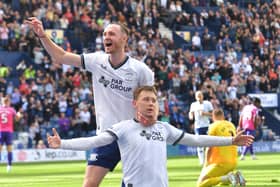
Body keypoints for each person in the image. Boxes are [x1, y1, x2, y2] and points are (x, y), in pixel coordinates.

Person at [25, 18, 154, 187]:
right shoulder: (97, 60)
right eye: (104, 34)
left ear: (124, 39)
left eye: (112, 34)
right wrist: (42, 35)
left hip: (134, 137)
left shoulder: (141, 70)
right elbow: (61, 56)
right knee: (89, 184)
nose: (106, 37)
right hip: (106, 136)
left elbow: (151, 103)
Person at [48, 85, 254, 187]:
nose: (151, 103)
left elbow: (196, 139)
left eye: (154, 100)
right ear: (135, 104)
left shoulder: (164, 129)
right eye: (146, 100)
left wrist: (231, 141)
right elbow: (94, 141)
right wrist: (62, 143)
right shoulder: (124, 128)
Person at [197, 108, 246, 187]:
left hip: (221, 162)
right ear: (223, 116)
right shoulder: (231, 125)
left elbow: (209, 146)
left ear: (213, 117)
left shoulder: (214, 126)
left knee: (201, 183)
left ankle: (228, 178)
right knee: (222, 183)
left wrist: (206, 164)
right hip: (233, 162)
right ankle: (237, 177)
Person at [189, 90, 213, 165]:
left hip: (207, 125)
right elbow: (190, 113)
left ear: (203, 96)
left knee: (208, 143)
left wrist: (205, 113)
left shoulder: (208, 103)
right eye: (197, 96)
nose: (199, 97)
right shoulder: (193, 105)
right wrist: (191, 116)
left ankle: (209, 159)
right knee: (199, 143)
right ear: (196, 97)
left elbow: (213, 113)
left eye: (200, 95)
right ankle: (201, 161)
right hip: (198, 126)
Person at [0, 96, 22, 172]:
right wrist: (19, 114)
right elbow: (17, 119)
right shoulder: (11, 110)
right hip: (9, 131)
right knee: (9, 149)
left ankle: (8, 165)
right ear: (8, 102)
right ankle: (9, 166)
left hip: (1, 131)